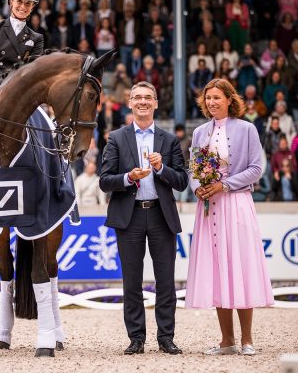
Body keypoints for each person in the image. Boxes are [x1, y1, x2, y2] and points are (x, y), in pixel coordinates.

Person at [99, 81, 188, 356]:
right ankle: (136, 338)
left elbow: (183, 181)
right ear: (130, 103)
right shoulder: (116, 138)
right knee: (132, 282)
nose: (142, 102)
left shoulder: (170, 140)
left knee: (165, 282)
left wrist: (161, 169)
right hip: (130, 216)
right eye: (137, 97)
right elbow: (104, 181)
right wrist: (128, 178)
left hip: (161, 216)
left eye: (148, 97)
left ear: (156, 103)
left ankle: (166, 338)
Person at [186, 78, 273, 356]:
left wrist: (225, 185)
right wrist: (197, 187)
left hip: (236, 203)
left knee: (240, 267)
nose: (212, 102)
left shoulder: (247, 129)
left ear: (229, 99)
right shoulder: (200, 132)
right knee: (218, 269)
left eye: (217, 98)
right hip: (209, 207)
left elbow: (256, 168)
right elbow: (192, 169)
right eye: (208, 98)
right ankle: (226, 340)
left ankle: (247, 339)